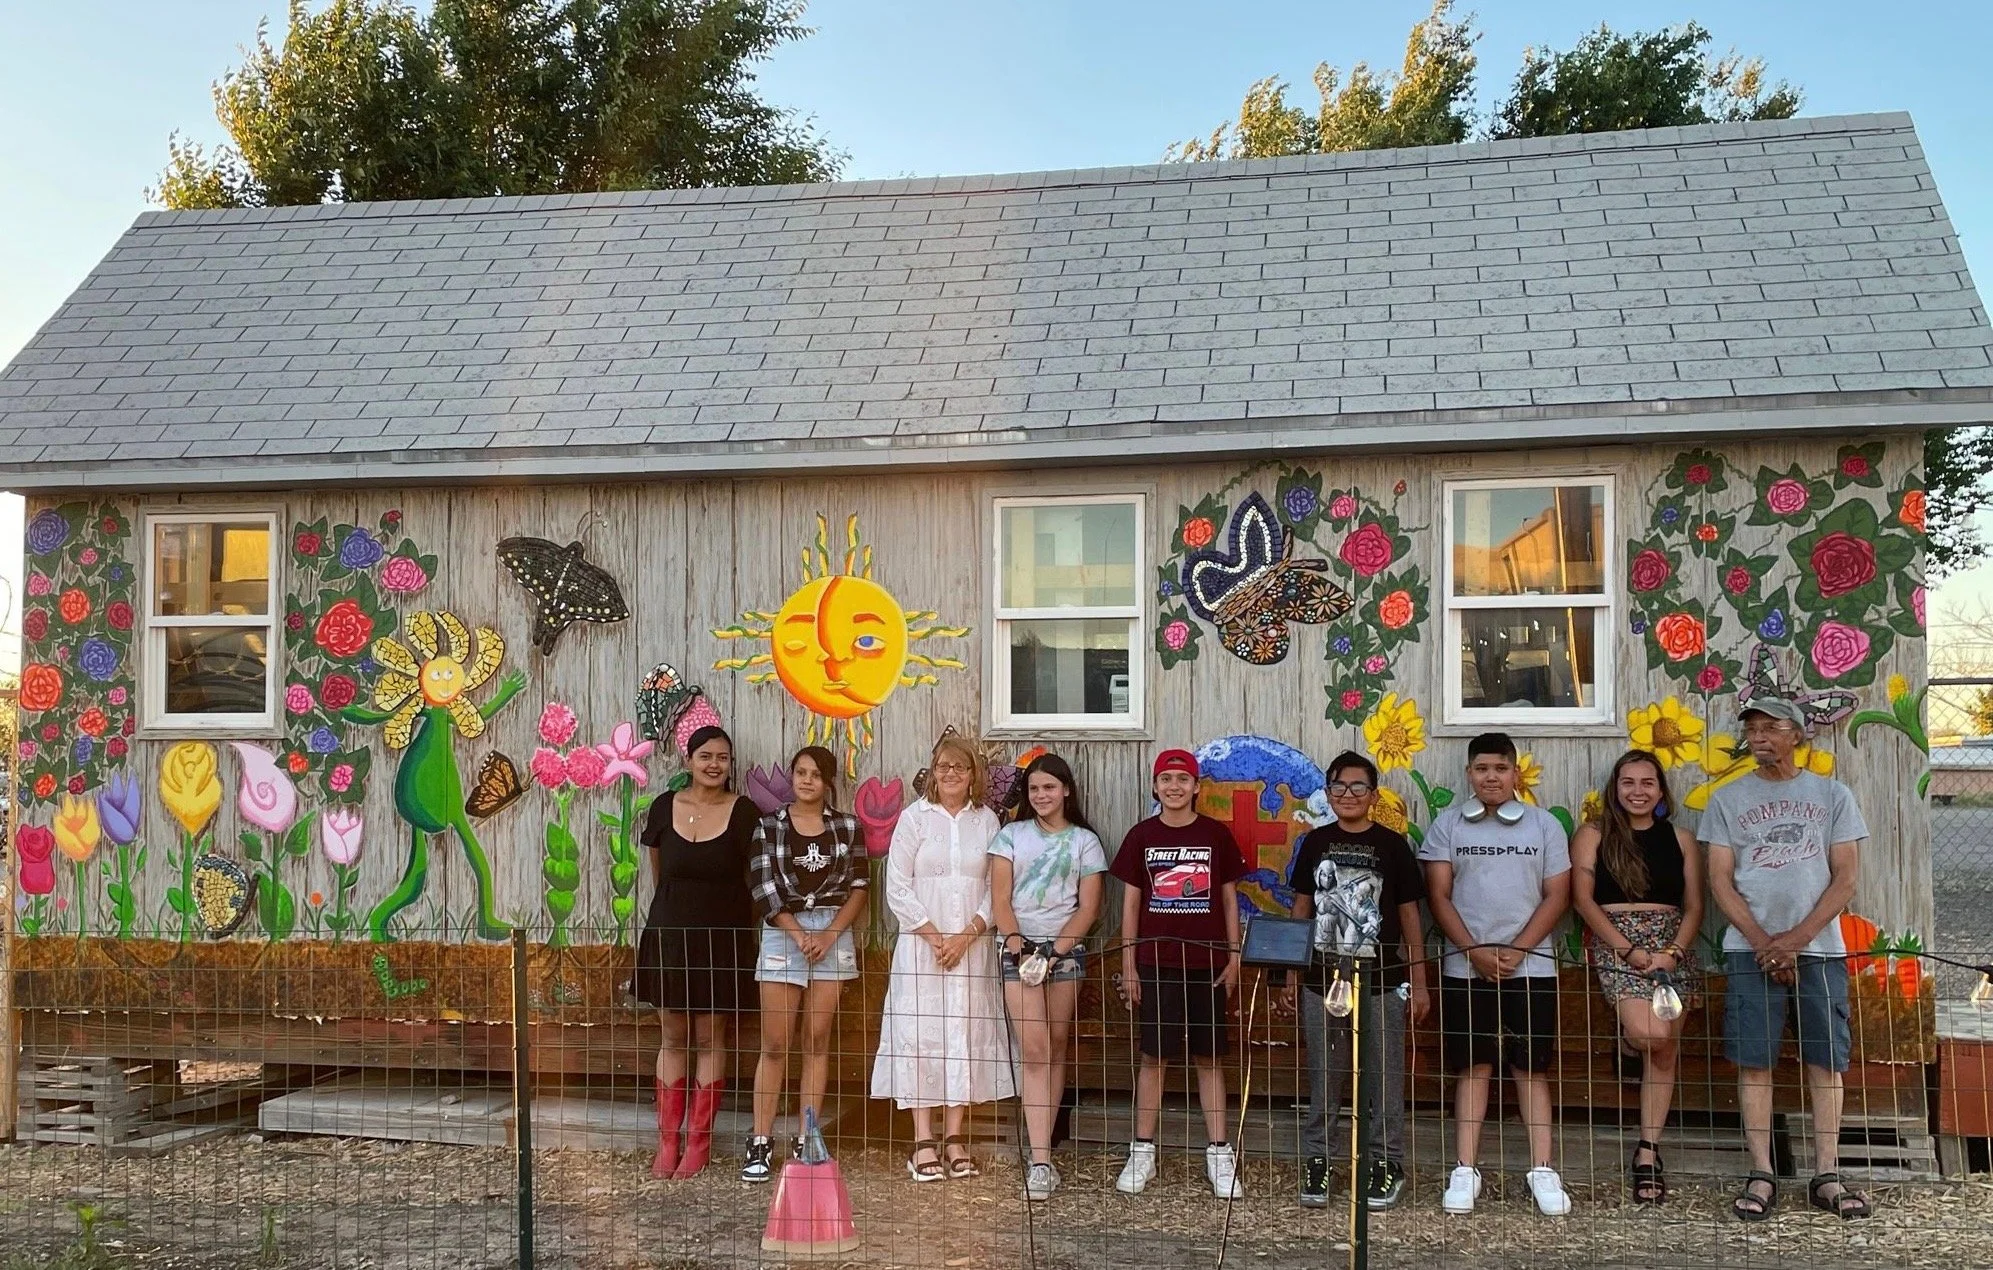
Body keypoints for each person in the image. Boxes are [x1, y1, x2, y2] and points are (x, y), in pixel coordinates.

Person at [1703, 696, 1871, 1222]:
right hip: (1749, 951)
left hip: (1819, 952)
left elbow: (1844, 878)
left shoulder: (1832, 796)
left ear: (1798, 734)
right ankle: (1761, 1173)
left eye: (1771, 727)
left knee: (1825, 1061)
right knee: (1755, 1062)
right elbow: (1719, 880)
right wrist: (1762, 942)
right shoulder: (1727, 800)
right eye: (1752, 728)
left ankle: (1826, 1174)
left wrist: (1794, 941)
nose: (1759, 736)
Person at [1420, 732, 1573, 1217]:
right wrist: (1473, 952)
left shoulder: (1544, 826)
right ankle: (1465, 1169)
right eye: (1482, 768)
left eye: (1500, 768)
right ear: (1470, 773)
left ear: (1515, 774)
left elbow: (1557, 895)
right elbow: (1439, 896)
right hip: (1466, 970)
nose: (1491, 777)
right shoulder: (1447, 826)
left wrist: (1518, 950)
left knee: (1531, 1066)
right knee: (1474, 1066)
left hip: (1533, 969)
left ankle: (1543, 1169)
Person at [1283, 750, 1429, 1211]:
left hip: (1382, 979)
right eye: (1339, 787)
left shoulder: (1392, 845)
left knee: (1383, 1075)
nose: (1348, 795)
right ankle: (1319, 1160)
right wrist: (1291, 972)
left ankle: (1386, 1162)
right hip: (1321, 977)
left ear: (1374, 793)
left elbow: (1410, 916)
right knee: (1325, 1075)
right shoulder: (1314, 843)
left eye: (1358, 787)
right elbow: (1302, 908)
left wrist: (1420, 981)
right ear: (1328, 794)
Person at [871, 734, 1015, 1182]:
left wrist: (968, 933)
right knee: (921, 1035)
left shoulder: (987, 820)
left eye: (960, 767)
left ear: (974, 775)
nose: (951, 774)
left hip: (970, 951)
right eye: (943, 767)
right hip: (922, 948)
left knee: (962, 1036)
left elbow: (997, 888)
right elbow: (896, 885)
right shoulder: (915, 819)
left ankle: (955, 1138)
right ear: (933, 772)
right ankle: (922, 1141)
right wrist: (935, 937)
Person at [1109, 749, 1247, 1200]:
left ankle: (1219, 1153)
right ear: (1155, 786)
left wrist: (1233, 957)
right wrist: (1129, 963)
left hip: (1207, 965)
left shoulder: (1215, 835)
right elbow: (1131, 905)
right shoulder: (1142, 836)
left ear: (1195, 787)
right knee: (1154, 1057)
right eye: (1165, 779)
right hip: (1155, 963)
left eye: (1182, 779)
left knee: (1210, 1057)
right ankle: (1143, 1150)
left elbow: (1228, 900)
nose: (1173, 786)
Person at [1570, 749, 1705, 1205]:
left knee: (1666, 1048)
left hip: (1672, 945)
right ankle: (1627, 1040)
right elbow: (1584, 901)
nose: (1637, 792)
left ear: (1661, 790)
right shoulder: (1593, 835)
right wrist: (1628, 949)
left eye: (1647, 783)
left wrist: (1675, 952)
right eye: (1628, 783)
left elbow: (1695, 906)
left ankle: (1648, 1151)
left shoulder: (1681, 838)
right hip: (1618, 942)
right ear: (1616, 788)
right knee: (1649, 1034)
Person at [633, 725, 761, 1180]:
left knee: (711, 1037)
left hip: (722, 938)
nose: (714, 765)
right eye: (705, 756)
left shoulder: (744, 813)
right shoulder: (664, 807)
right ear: (688, 760)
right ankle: (667, 1142)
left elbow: (753, 878)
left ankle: (698, 1143)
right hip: (670, 933)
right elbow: (659, 870)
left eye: (723, 758)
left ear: (730, 765)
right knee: (672, 1035)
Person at [741, 746, 869, 1182]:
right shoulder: (768, 827)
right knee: (776, 1041)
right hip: (783, 930)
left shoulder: (847, 827)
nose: (807, 780)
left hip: (832, 931)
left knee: (816, 1038)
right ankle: (760, 1140)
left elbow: (859, 885)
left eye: (816, 774)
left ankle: (806, 1136)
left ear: (829, 781)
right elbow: (763, 889)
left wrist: (830, 935)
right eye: (800, 772)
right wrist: (798, 934)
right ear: (792, 776)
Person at [990, 754, 1107, 1203]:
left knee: (1057, 1047)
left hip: (1066, 953)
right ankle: (1039, 1161)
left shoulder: (1085, 842)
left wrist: (1056, 952)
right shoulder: (1010, 836)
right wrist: (1019, 945)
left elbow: (1089, 907)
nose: (1041, 796)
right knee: (1034, 1050)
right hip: (1017, 953)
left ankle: (1045, 1150)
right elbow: (1001, 899)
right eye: (1034, 789)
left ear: (1066, 791)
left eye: (1049, 788)